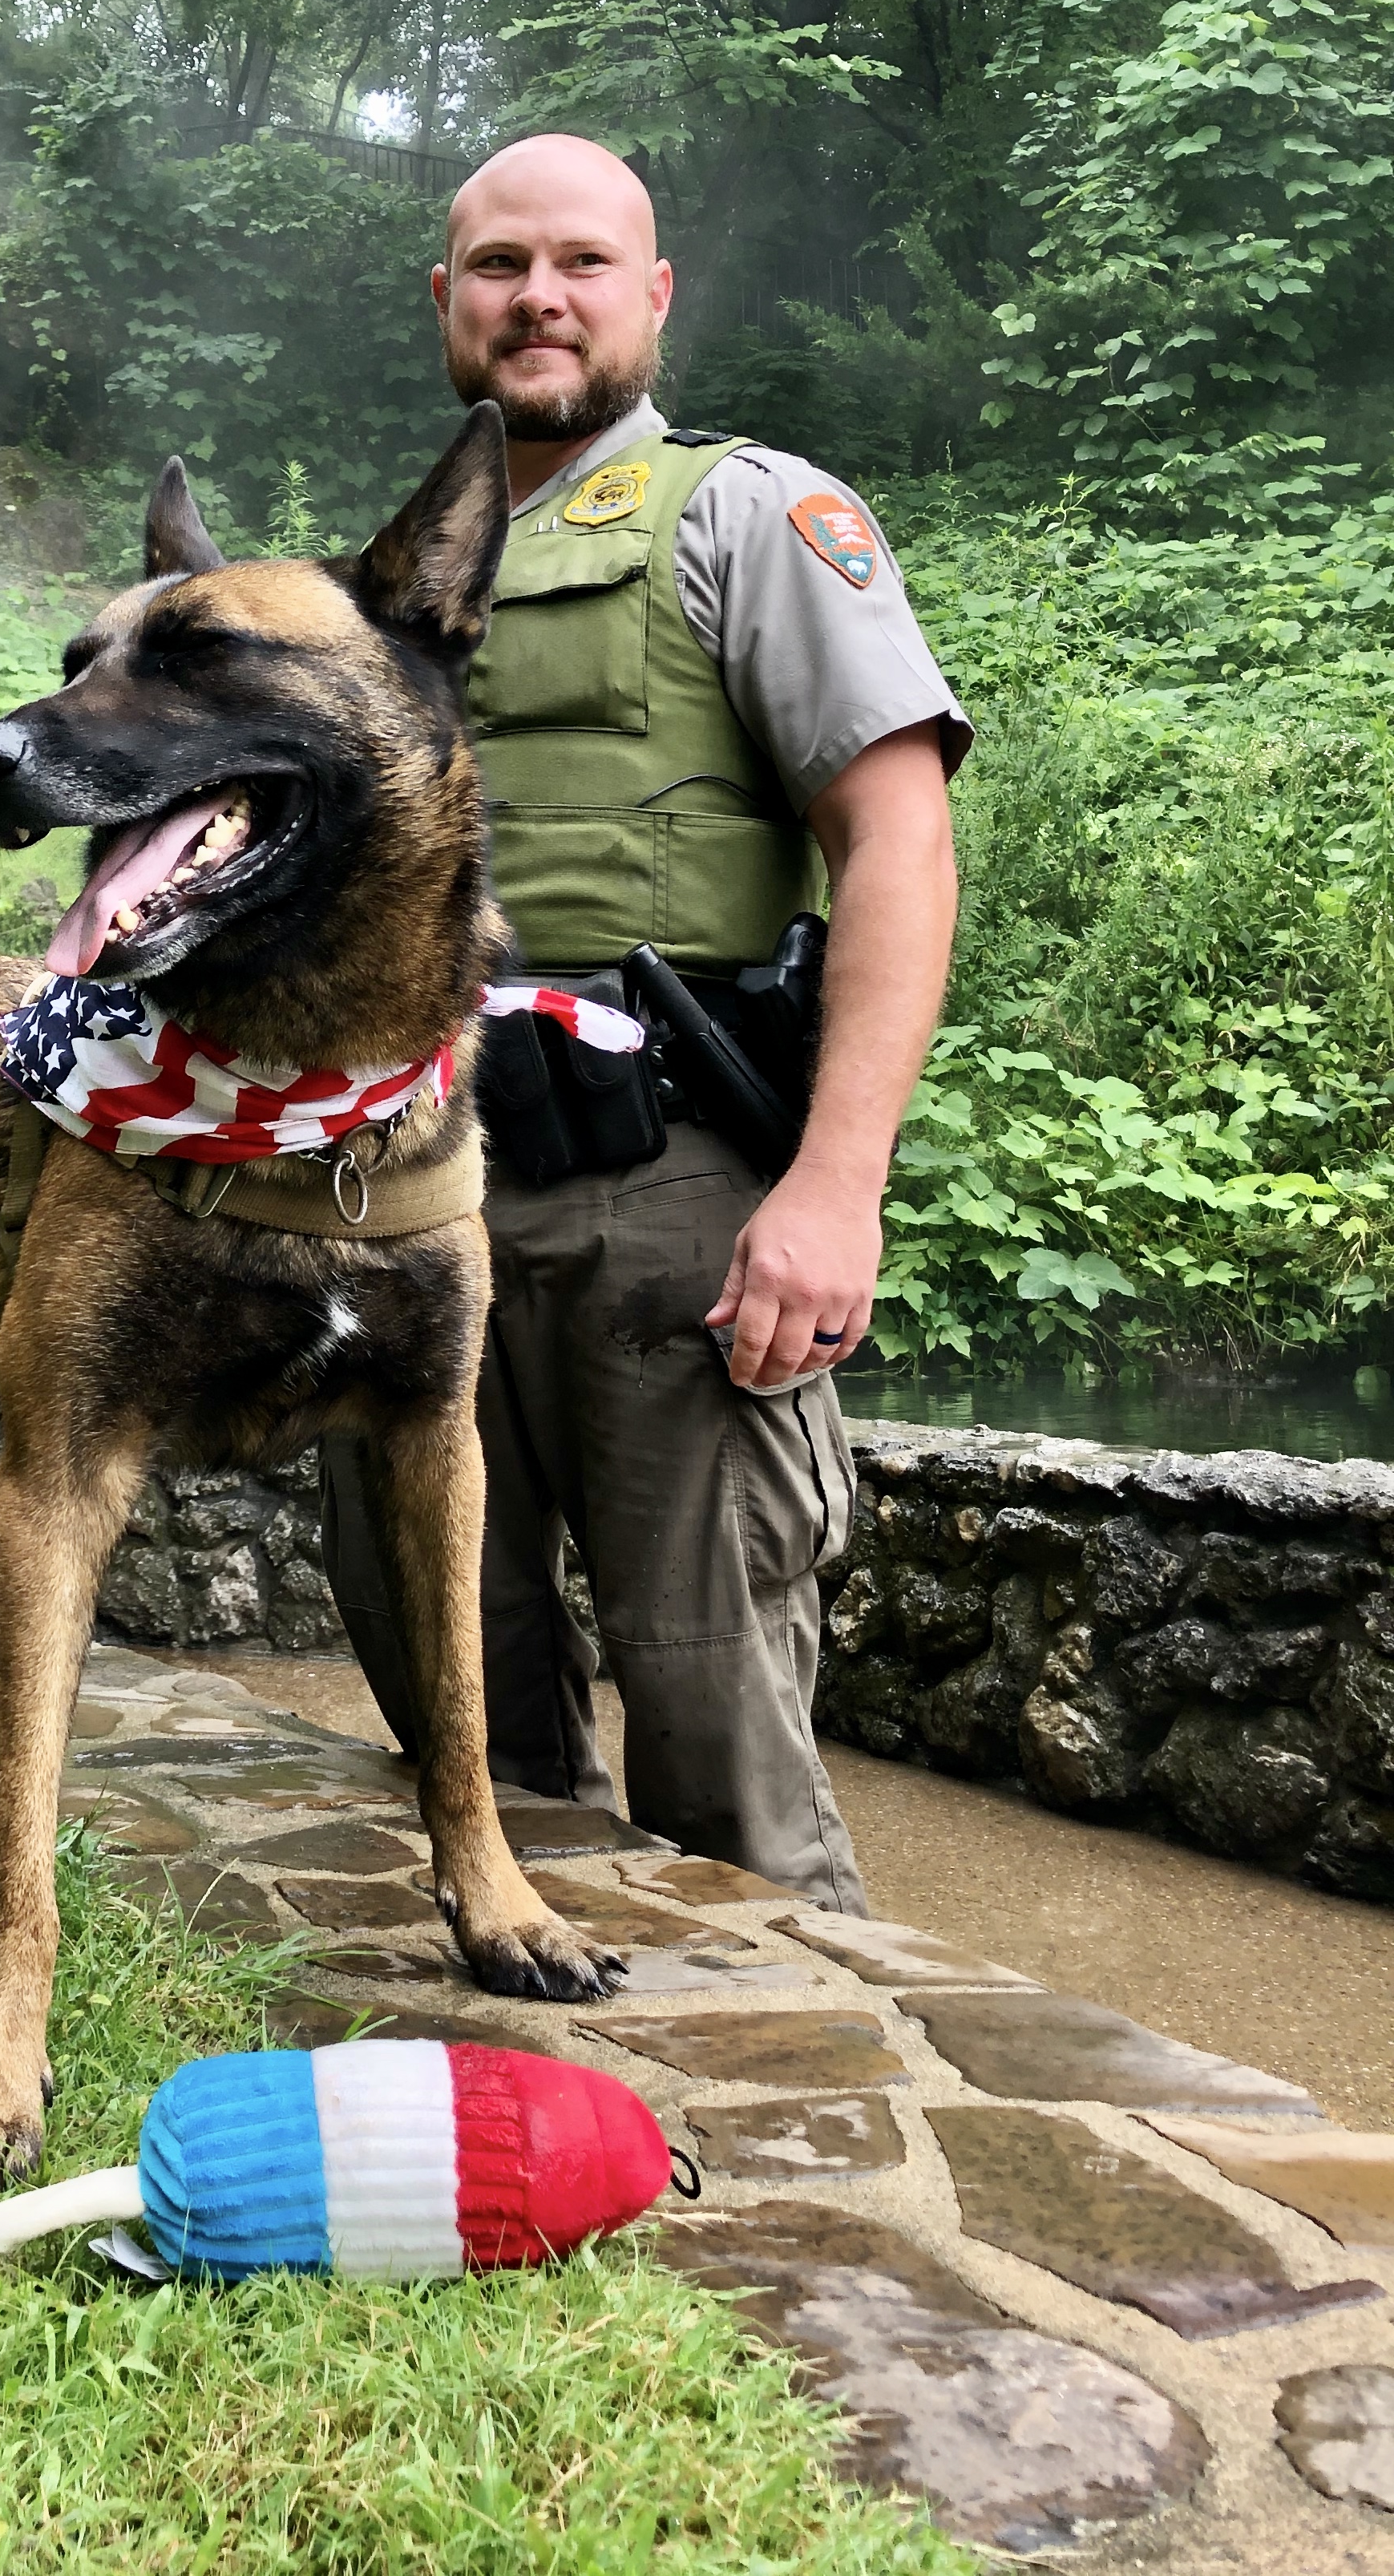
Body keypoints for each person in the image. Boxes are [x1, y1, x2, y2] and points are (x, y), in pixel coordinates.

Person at [321, 134, 969, 1907]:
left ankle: (794, 2136)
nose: (541, 295)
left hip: (664, 1195)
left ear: (654, 296)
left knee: (714, 1730)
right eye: (500, 263)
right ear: (442, 300)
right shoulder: (385, 587)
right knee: (448, 1699)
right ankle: (546, 2112)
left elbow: (898, 839)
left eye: (585, 263)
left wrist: (837, 1189)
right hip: (416, 1196)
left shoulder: (751, 516)